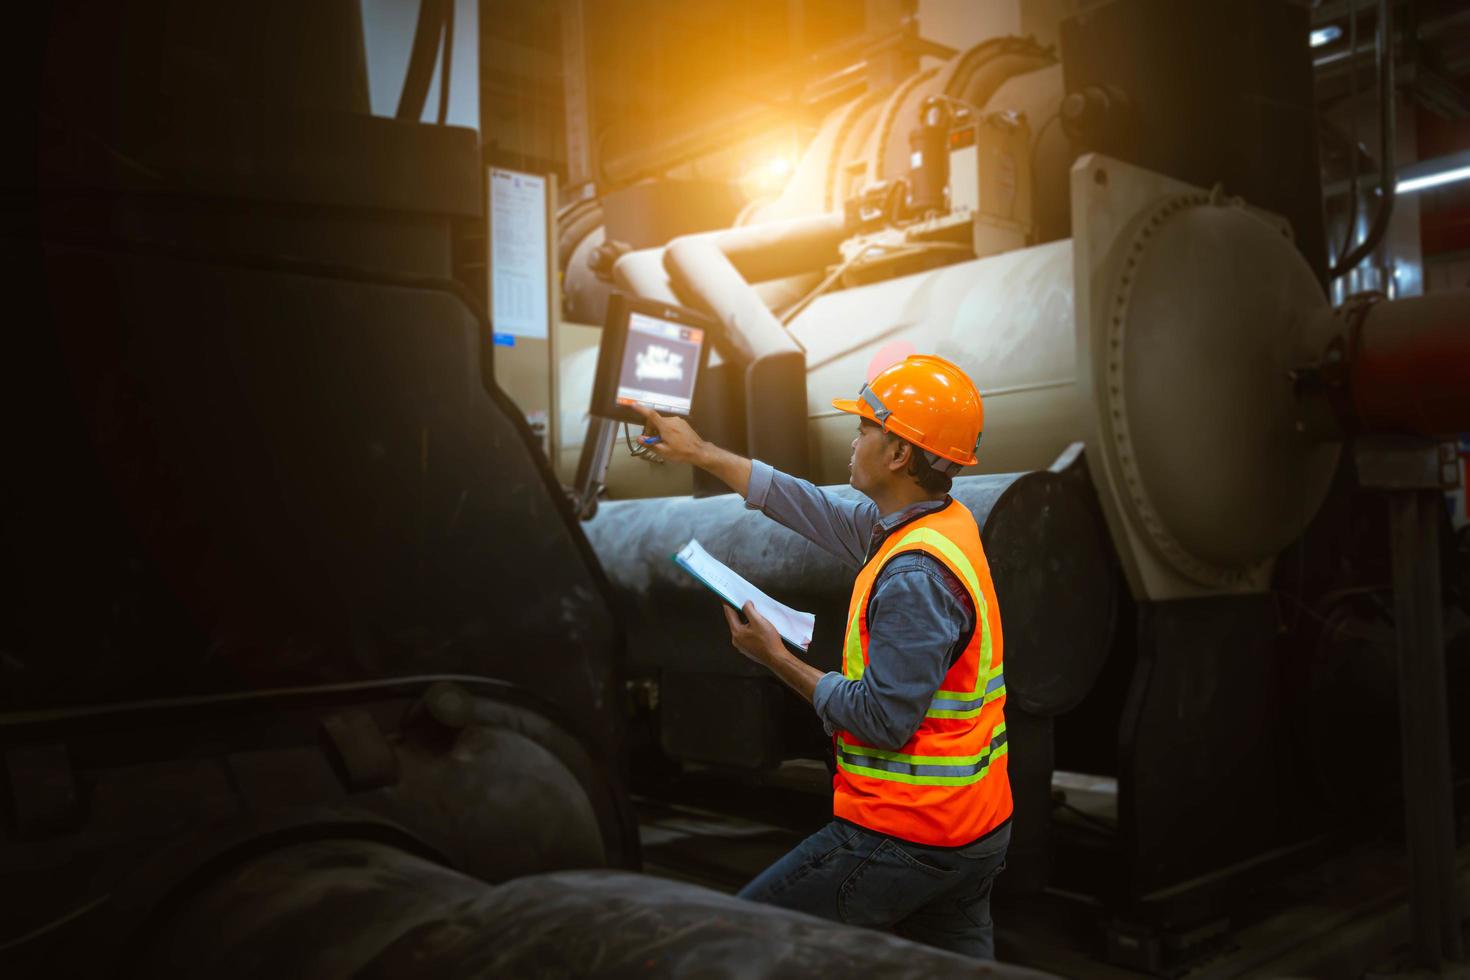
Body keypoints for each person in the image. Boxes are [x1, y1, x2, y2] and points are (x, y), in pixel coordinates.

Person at [633, 353, 1011, 959]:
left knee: (735, 943)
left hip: (908, 835)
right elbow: (807, 505)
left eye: (866, 427)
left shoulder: (915, 572)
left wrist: (773, 656)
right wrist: (702, 452)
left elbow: (885, 719)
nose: (854, 438)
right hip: (973, 826)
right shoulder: (933, 522)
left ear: (898, 455)